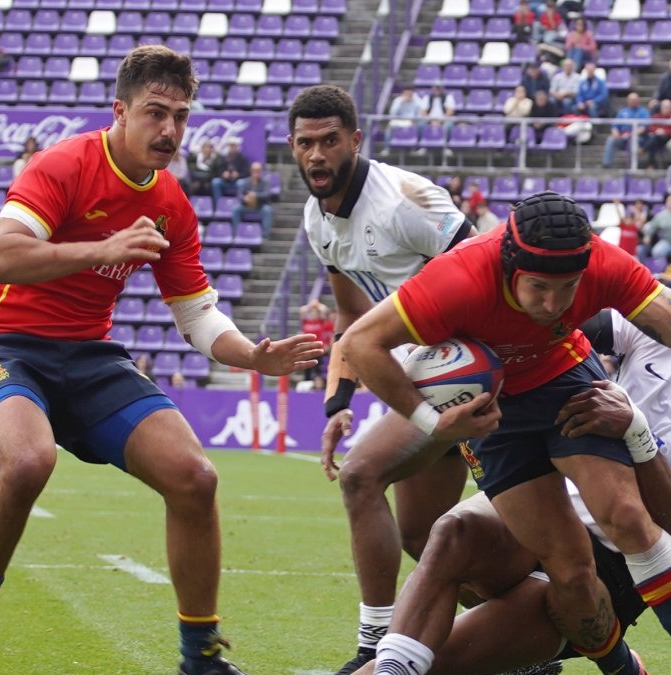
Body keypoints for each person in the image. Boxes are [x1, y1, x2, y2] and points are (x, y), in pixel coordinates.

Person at [0, 46, 322, 675]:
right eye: (155, 113)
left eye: (181, 116)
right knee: (27, 462)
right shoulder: (64, 164)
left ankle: (202, 659)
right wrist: (101, 247)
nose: (169, 130)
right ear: (120, 111)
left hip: (89, 355)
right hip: (6, 345)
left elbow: (195, 314)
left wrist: (253, 355)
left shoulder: (170, 202)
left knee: (196, 478)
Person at [340, 192, 671, 675]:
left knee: (449, 659)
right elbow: (365, 341)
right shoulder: (468, 277)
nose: (554, 306)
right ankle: (391, 662)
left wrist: (642, 430)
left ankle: (668, 667)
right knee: (449, 531)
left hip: (614, 564)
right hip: (537, 486)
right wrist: (435, 412)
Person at [288, 84, 477, 675]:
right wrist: (338, 401)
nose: (316, 155)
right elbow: (350, 318)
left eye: (328, 141)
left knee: (363, 476)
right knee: (424, 537)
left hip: (475, 362)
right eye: (304, 144)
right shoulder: (317, 217)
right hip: (425, 375)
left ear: (355, 139)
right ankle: (525, 639)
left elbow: (485, 272)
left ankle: (374, 647)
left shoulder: (403, 202)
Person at [230, 162, 276, 234]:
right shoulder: (245, 181)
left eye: (258, 170)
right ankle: (236, 233)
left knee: (267, 210)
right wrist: (244, 198)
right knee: (236, 209)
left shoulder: (265, 182)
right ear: (251, 171)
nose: (256, 172)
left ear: (261, 171)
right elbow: (240, 195)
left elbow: (267, 194)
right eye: (254, 170)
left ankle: (265, 235)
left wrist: (255, 195)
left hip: (260, 206)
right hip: (247, 206)